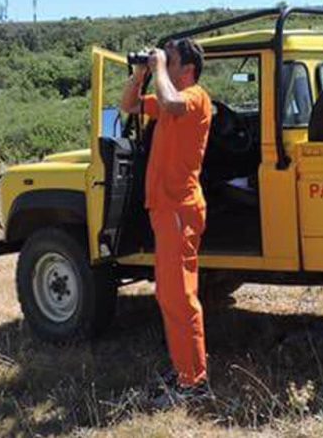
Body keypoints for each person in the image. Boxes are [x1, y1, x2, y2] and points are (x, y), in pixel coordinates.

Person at [119, 38, 214, 406]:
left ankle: (194, 383)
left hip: (180, 210)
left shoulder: (195, 98)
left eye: (170, 60)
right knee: (168, 295)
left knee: (181, 297)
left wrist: (158, 67)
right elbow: (128, 106)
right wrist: (141, 73)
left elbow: (172, 102)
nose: (163, 63)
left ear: (186, 69)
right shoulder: (169, 97)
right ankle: (184, 369)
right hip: (166, 210)